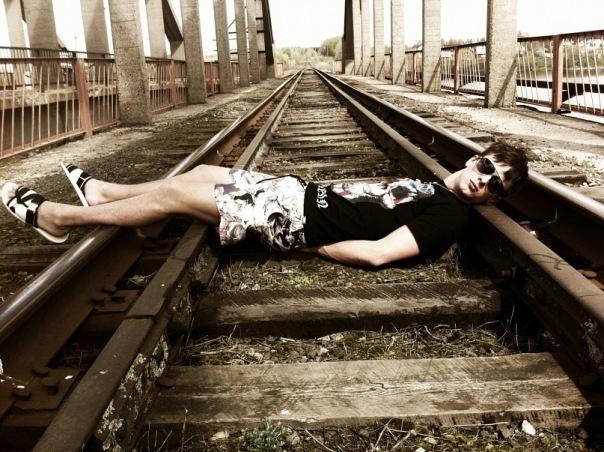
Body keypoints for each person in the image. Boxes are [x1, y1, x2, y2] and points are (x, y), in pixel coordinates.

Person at [2, 141, 528, 267]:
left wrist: (310, 246)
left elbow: (379, 253)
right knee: (200, 174)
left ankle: (59, 218)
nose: (485, 182)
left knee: (175, 195)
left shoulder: (450, 215)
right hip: (294, 193)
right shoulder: (436, 187)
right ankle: (106, 193)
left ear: (496, 197)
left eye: (497, 186)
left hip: (292, 219)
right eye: (487, 168)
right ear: (475, 158)